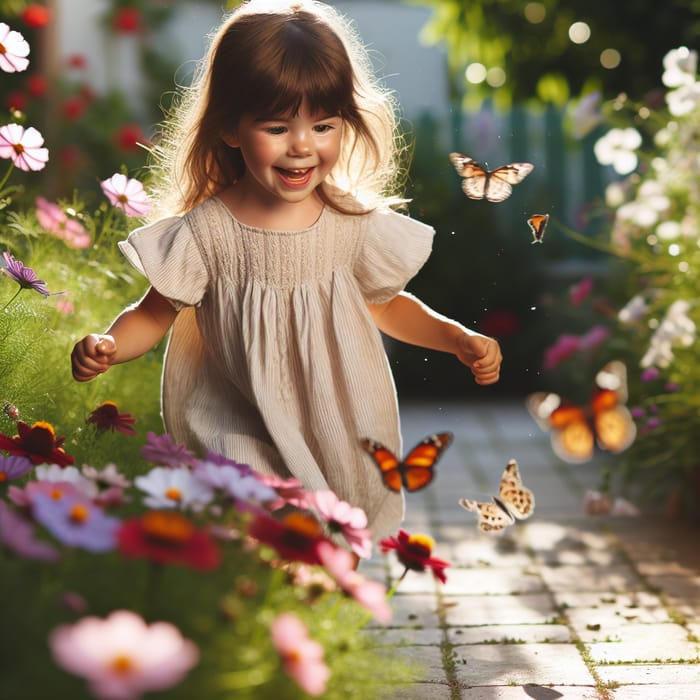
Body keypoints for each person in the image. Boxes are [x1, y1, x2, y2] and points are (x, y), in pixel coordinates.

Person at [71, 0, 502, 545]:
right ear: (229, 127)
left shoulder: (350, 223)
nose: (302, 145)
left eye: (323, 125)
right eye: (277, 126)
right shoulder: (209, 232)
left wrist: (454, 337)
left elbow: (387, 304)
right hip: (233, 419)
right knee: (262, 525)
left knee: (328, 541)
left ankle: (317, 620)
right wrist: (107, 344)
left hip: (332, 423)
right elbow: (154, 314)